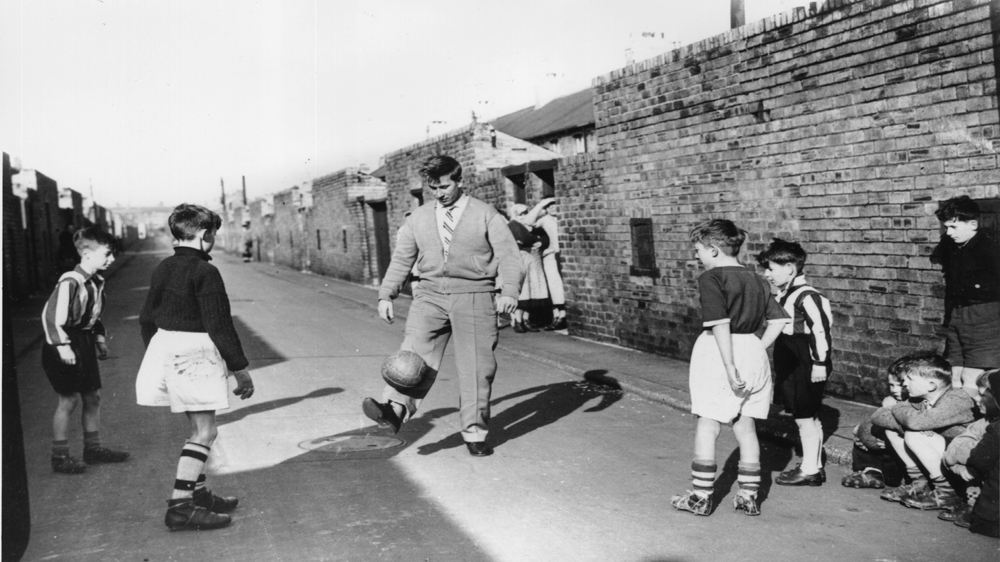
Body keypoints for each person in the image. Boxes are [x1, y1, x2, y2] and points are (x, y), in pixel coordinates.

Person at [362, 155, 523, 457]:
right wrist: (386, 294)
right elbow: (402, 259)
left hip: (474, 295)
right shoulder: (418, 217)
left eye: (445, 187)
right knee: (413, 354)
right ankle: (395, 408)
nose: (439, 194)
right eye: (433, 188)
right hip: (430, 295)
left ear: (460, 181)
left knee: (476, 368)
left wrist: (510, 291)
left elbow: (510, 257)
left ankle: (474, 433)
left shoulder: (485, 214)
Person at [136, 203, 255, 531]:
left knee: (198, 429)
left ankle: (198, 494)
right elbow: (219, 325)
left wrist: (159, 354)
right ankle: (181, 506)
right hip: (195, 354)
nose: (214, 239)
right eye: (213, 234)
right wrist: (240, 368)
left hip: (168, 348)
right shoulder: (205, 271)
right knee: (206, 431)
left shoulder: (163, 267)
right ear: (204, 234)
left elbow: (146, 318)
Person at [671, 219, 789, 516]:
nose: (697, 256)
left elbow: (720, 323)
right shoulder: (757, 279)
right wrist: (757, 348)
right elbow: (778, 320)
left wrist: (729, 363)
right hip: (752, 349)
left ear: (713, 249)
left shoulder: (711, 278)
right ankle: (748, 496)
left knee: (708, 423)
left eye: (698, 250)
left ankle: (700, 496)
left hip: (719, 352)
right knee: (746, 426)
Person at [41, 226, 130, 474]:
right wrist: (62, 346)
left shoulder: (96, 282)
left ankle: (93, 449)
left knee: (93, 397)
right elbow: (50, 317)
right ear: (87, 254)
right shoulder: (71, 280)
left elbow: (93, 315)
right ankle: (60, 457)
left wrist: (99, 340)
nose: (112, 259)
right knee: (69, 399)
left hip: (83, 342)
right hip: (63, 343)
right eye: (107, 254)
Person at [756, 239, 833, 487]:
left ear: (790, 268)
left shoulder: (808, 296)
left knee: (804, 416)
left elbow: (820, 331)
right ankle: (814, 466)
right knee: (805, 416)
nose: (767, 274)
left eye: (771, 269)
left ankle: (810, 470)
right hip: (790, 359)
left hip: (805, 360)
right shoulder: (784, 294)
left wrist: (820, 363)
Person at [871, 352, 975, 511]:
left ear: (931, 385)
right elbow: (878, 415)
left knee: (914, 434)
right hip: (943, 454)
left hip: (963, 456)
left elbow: (916, 422)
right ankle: (919, 482)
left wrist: (898, 408)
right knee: (895, 431)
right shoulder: (919, 399)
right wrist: (907, 422)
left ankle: (946, 492)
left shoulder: (957, 398)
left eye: (909, 379)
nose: (904, 383)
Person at [930, 195, 1000, 399]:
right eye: (946, 227)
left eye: (954, 227)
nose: (948, 233)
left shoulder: (990, 249)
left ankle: (977, 418)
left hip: (984, 318)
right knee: (954, 375)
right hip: (957, 316)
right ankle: (957, 416)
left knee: (973, 378)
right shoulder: (952, 247)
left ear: (973, 224)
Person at [938, 370, 1000, 527]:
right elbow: (956, 446)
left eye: (983, 395)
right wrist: (958, 466)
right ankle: (971, 505)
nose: (976, 399)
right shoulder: (982, 423)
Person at [841, 365, 910, 490]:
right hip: (886, 452)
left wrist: (891, 443)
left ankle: (884, 475)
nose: (895, 390)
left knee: (887, 438)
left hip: (901, 460)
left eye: (900, 385)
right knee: (867, 432)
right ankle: (872, 472)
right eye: (891, 385)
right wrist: (861, 432)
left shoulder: (915, 406)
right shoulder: (891, 401)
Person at [508, 200, 554, 332]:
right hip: (522, 260)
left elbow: (545, 238)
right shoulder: (513, 225)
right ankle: (518, 321)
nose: (523, 216)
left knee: (532, 290)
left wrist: (540, 242)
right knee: (524, 290)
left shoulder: (533, 226)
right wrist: (535, 240)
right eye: (520, 214)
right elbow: (524, 239)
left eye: (525, 213)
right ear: (515, 215)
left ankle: (527, 320)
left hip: (534, 261)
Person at [536, 205, 567, 331]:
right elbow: (529, 224)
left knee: (561, 286)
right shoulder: (544, 220)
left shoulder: (563, 217)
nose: (552, 207)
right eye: (548, 205)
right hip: (551, 257)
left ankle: (561, 316)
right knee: (554, 286)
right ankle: (558, 317)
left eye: (554, 204)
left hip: (564, 256)